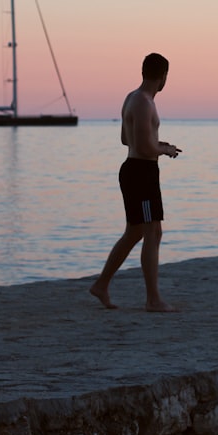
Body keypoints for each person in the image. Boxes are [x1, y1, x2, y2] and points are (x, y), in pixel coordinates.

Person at [90, 53, 182, 312]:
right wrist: (164, 150)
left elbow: (125, 139)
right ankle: (153, 299)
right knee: (151, 231)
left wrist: (160, 145)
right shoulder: (143, 103)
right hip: (141, 173)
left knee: (137, 231)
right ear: (163, 76)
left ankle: (101, 285)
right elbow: (141, 146)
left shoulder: (132, 98)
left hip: (137, 169)